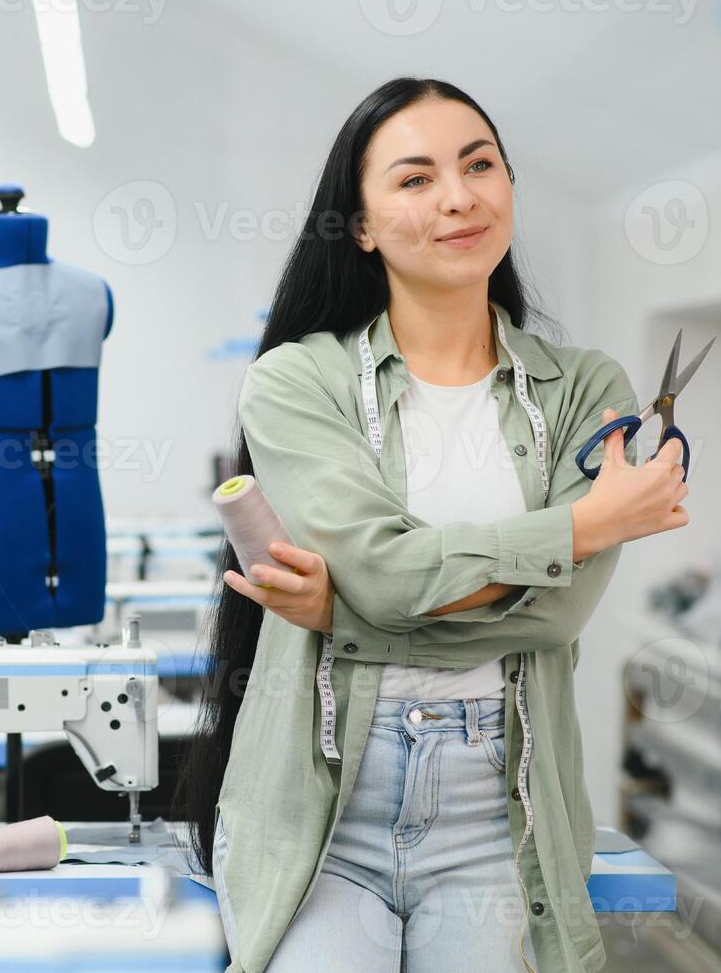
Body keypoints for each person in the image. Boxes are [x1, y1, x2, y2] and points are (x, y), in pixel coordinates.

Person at [174, 77, 690, 973]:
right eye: (414, 179)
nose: (459, 196)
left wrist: (344, 615)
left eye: (479, 165)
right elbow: (390, 576)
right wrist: (580, 529)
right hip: (322, 806)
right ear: (361, 225)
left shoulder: (587, 392)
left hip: (500, 810)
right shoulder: (297, 381)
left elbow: (556, 617)